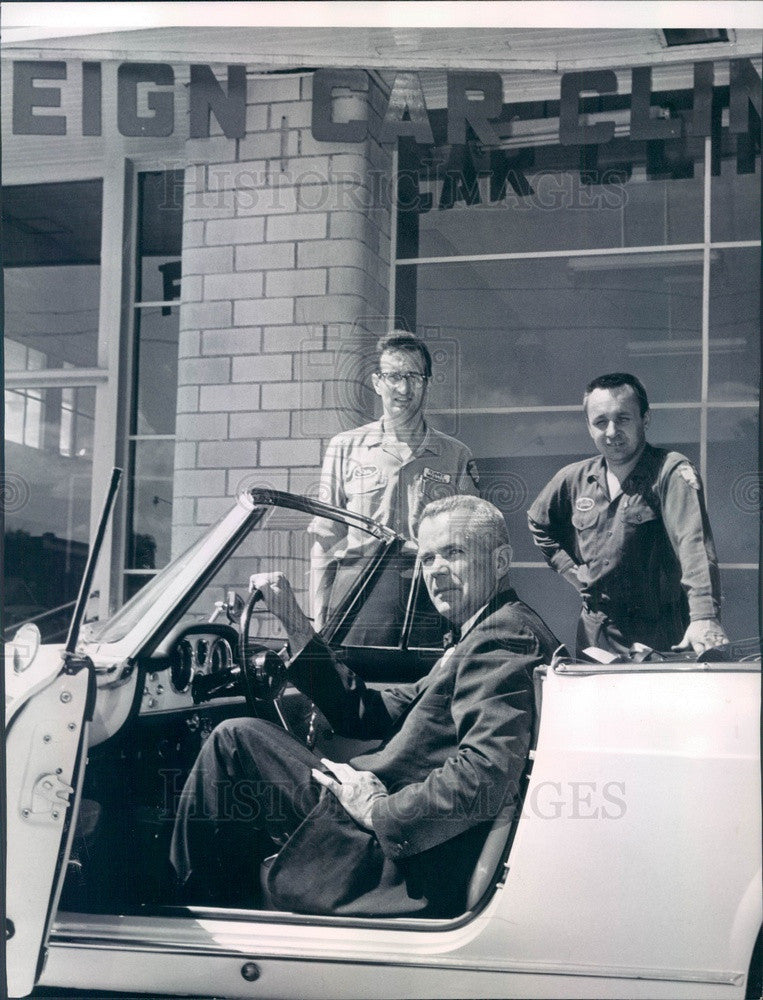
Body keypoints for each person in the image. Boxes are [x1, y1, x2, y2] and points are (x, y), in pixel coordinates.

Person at [170, 495, 560, 917]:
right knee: (244, 740)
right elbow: (371, 712)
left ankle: (187, 914)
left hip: (400, 855)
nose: (437, 572)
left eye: (454, 553)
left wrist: (379, 812)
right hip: (387, 817)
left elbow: (484, 775)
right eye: (428, 559)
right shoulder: (482, 632)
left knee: (234, 741)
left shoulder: (502, 638)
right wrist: (296, 624)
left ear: (501, 561)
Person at [527, 372, 727, 658]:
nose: (611, 432)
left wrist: (704, 617)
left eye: (622, 419)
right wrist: (571, 571)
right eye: (600, 422)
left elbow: (693, 544)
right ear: (588, 427)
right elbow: (538, 521)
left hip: (661, 632)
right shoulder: (574, 479)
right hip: (597, 633)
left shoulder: (670, 471)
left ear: (645, 419)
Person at [310, 331, 479, 635]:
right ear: (377, 382)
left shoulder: (455, 456)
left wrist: (468, 624)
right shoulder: (344, 448)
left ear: (427, 382)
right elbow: (325, 541)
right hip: (356, 600)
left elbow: (472, 547)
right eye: (394, 376)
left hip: (429, 597)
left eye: (414, 377)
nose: (404, 388)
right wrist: (318, 618)